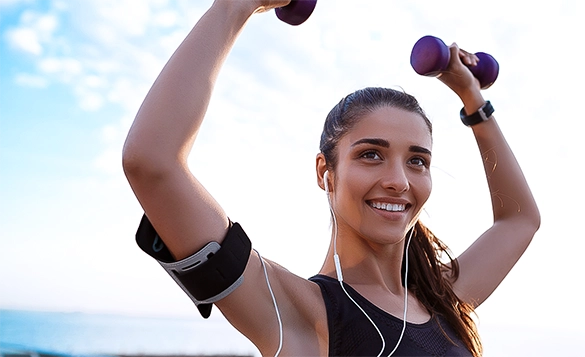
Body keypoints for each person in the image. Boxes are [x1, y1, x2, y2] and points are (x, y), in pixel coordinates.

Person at [122, 1, 541, 356]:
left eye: (417, 161)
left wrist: (473, 98)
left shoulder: (444, 298)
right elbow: (152, 162)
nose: (398, 180)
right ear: (326, 172)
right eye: (371, 155)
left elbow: (520, 220)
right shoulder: (303, 313)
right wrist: (234, 6)